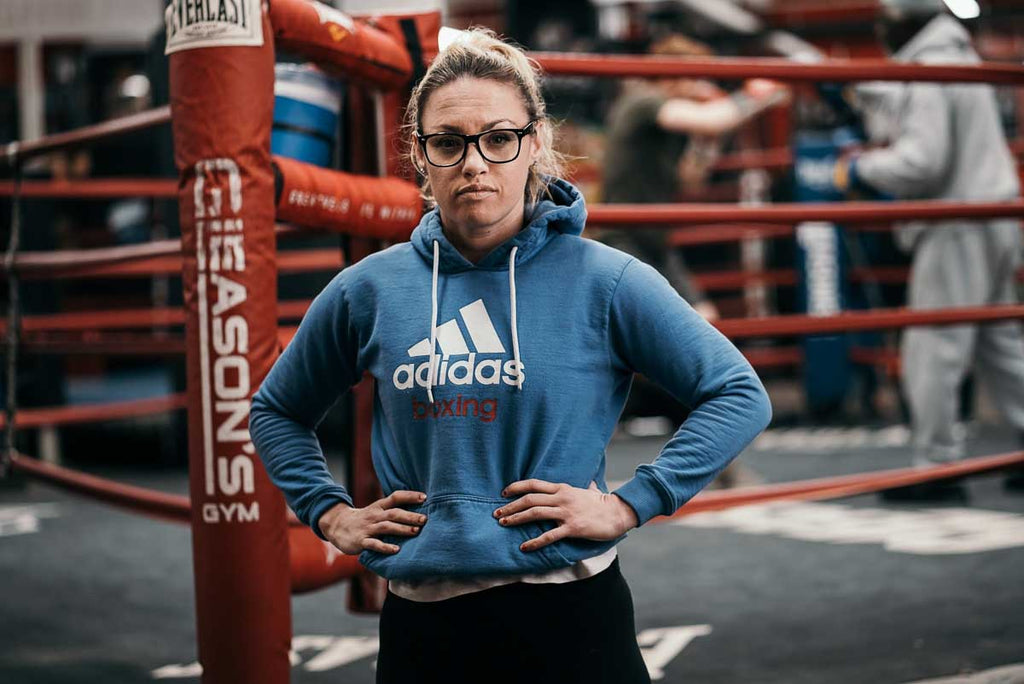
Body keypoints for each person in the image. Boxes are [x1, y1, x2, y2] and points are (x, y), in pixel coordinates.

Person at [249, 29, 772, 683]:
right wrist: (328, 513)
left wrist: (630, 503)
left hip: (572, 614)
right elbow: (276, 410)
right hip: (424, 622)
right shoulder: (369, 289)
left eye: (498, 139)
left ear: (534, 144)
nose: (475, 163)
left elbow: (739, 394)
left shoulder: (604, 280)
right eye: (449, 142)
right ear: (420, 154)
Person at [834, 0, 1024, 498]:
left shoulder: (928, 69)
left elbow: (923, 161)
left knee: (934, 347)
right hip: (994, 211)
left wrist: (860, 168)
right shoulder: (959, 57)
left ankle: (938, 470)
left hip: (956, 218)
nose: (880, 31)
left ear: (904, 22)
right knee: (999, 343)